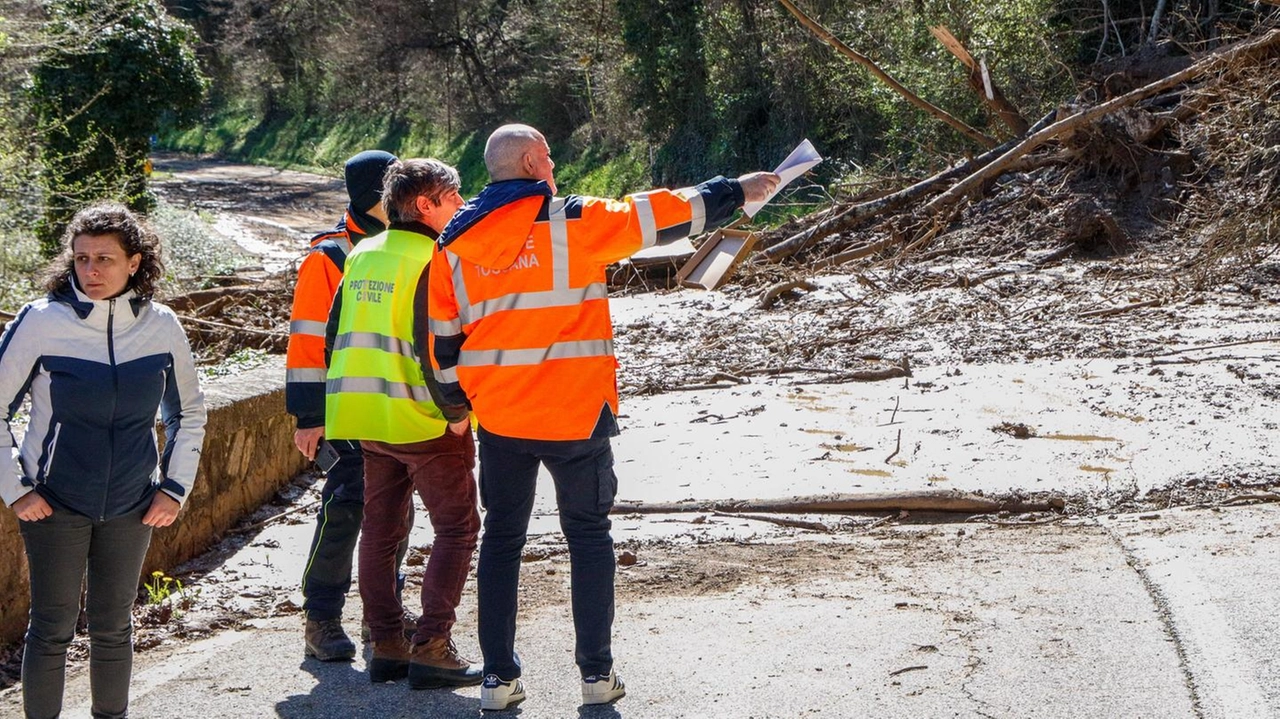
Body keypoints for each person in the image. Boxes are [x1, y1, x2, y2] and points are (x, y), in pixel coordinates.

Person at [426, 123, 779, 710]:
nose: (554, 164)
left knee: (503, 541)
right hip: (576, 411)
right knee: (588, 537)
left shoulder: (454, 245)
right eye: (550, 155)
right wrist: (736, 191)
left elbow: (439, 343)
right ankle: (595, 676)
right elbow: (658, 213)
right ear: (537, 163)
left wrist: (457, 407)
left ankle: (498, 680)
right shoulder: (574, 221)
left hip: (503, 419)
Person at [0, 203, 207, 719]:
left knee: (114, 625)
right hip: (54, 501)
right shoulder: (42, 322)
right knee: (52, 628)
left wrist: (174, 487)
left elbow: (188, 413)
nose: (91, 271)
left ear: (134, 263)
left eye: (105, 259)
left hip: (133, 503)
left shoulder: (161, 326)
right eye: (82, 259)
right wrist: (16, 488)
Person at [324, 157, 482, 690]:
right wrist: (457, 413)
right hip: (425, 419)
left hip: (365, 415)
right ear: (424, 204)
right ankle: (432, 646)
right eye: (452, 196)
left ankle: (387, 643)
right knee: (458, 530)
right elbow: (438, 345)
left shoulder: (362, 252)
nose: (460, 205)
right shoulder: (437, 256)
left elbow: (332, 335)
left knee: (381, 532)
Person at [286, 149, 414, 661]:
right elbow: (306, 340)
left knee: (396, 510)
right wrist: (309, 416)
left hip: (399, 403)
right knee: (345, 509)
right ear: (376, 198)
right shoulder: (329, 257)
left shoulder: (409, 244)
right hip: (342, 410)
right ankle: (321, 617)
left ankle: (381, 616)